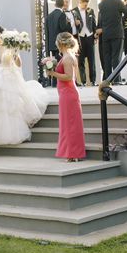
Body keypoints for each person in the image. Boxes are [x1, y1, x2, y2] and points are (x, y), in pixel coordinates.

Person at [0, 26, 49, 145]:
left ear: (0, 35)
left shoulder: (11, 47)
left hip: (9, 76)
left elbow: (19, 64)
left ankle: (13, 132)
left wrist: (15, 55)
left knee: (11, 105)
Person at [47, 33, 86, 162]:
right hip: (65, 93)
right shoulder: (66, 56)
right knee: (68, 124)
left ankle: (74, 153)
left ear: (61, 43)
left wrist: (53, 73)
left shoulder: (68, 58)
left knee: (70, 124)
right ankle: (71, 153)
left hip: (68, 94)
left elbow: (69, 77)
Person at [96, 0, 127, 83]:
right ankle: (116, 80)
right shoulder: (118, 2)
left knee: (107, 58)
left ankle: (108, 80)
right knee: (116, 57)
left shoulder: (101, 5)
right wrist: (125, 5)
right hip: (117, 34)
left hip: (106, 35)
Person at [46, 0, 72, 87]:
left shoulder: (49, 16)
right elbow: (64, 29)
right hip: (60, 44)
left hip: (51, 44)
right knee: (61, 63)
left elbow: (47, 32)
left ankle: (53, 82)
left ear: (55, 4)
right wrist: (68, 23)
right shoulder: (62, 15)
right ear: (62, 5)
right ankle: (59, 81)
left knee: (54, 62)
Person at [72, 0, 97, 86]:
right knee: (81, 60)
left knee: (92, 60)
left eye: (87, 4)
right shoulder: (73, 11)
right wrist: (75, 23)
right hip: (80, 38)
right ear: (80, 2)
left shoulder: (91, 11)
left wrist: (95, 36)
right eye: (85, 4)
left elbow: (94, 23)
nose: (86, 6)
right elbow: (72, 27)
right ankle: (83, 81)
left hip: (90, 37)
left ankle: (93, 81)